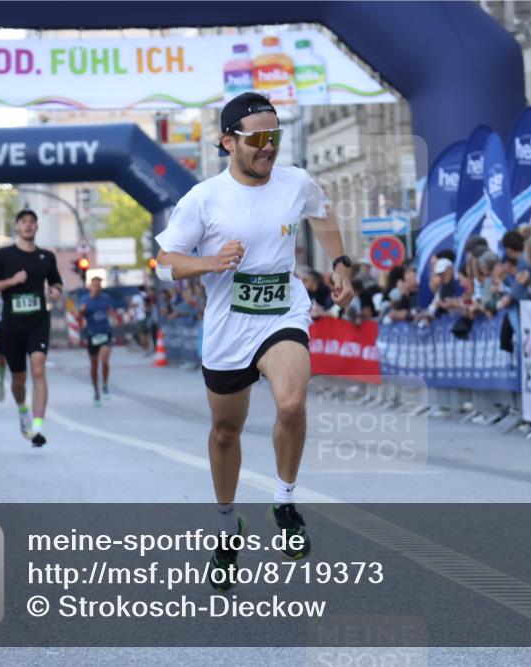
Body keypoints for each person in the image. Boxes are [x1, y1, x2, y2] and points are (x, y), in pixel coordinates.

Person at [154, 92, 353, 590]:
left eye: (274, 137)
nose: (268, 148)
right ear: (228, 142)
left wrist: (340, 262)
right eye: (258, 139)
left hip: (282, 312)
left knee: (291, 402)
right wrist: (210, 262)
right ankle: (227, 525)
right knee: (226, 431)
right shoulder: (203, 198)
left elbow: (322, 212)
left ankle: (284, 504)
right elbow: (164, 263)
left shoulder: (295, 182)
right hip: (228, 326)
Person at [0, 209, 63, 446]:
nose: (28, 226)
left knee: (38, 369)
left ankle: (37, 428)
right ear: (17, 226)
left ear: (37, 227)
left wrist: (56, 291)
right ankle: (22, 411)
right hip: (12, 325)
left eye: (32, 222)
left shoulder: (46, 257)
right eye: (24, 222)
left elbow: (56, 281)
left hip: (38, 320)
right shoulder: (3, 255)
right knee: (18, 379)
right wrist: (12, 281)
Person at [78, 275, 114, 406]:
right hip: (92, 334)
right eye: (94, 285)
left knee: (104, 361)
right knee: (94, 365)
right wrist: (81, 311)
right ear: (90, 286)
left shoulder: (105, 298)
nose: (97, 287)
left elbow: (110, 311)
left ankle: (104, 384)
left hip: (105, 332)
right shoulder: (85, 299)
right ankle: (96, 391)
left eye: (99, 285)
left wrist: (113, 319)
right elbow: (79, 315)